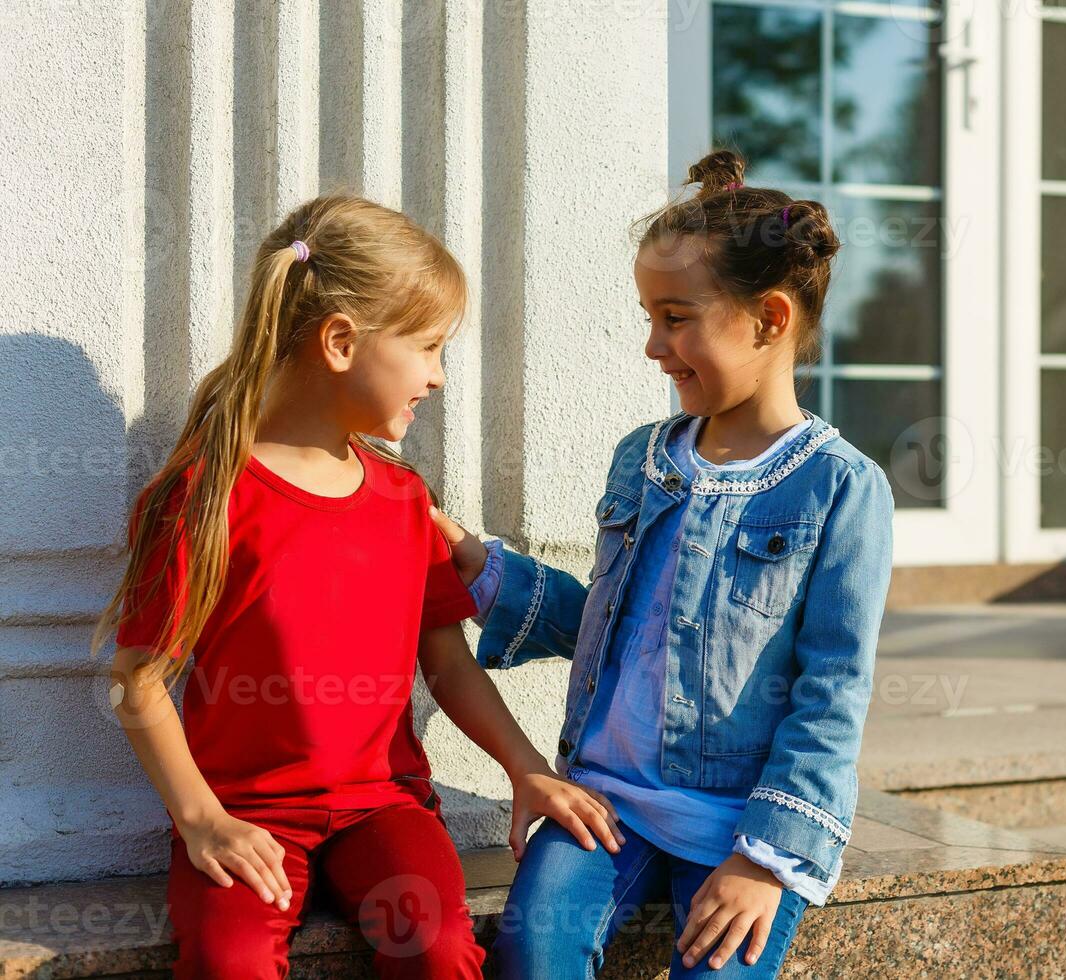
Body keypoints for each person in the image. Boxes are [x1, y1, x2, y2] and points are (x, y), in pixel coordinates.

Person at [97, 193, 623, 979]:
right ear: (341, 342)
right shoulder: (202, 497)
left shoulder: (404, 499)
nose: (439, 377)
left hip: (384, 809)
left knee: (441, 948)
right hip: (248, 812)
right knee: (228, 960)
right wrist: (202, 821)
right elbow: (139, 682)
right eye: (429, 348)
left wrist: (526, 768)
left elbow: (448, 664)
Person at [433, 149, 895, 978]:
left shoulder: (841, 489)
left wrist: (765, 861)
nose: (653, 345)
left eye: (676, 317)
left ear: (770, 319)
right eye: (649, 316)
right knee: (534, 951)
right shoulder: (643, 461)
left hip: (744, 821)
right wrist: (484, 565)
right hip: (606, 805)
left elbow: (834, 690)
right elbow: (615, 627)